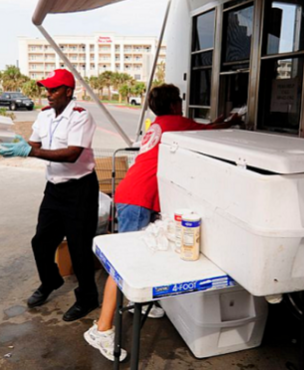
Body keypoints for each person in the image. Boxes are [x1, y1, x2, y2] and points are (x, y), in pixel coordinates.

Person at [84, 84, 242, 361]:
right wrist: (233, 120)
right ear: (174, 105)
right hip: (137, 197)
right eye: (180, 100)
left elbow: (201, 129)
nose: (182, 104)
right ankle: (102, 328)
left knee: (139, 253)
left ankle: (132, 301)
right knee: (124, 264)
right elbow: (212, 133)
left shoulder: (159, 124)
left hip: (132, 192)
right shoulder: (176, 122)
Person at [0, 68, 100, 322]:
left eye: (54, 90)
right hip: (54, 189)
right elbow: (34, 145)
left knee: (79, 248)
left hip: (80, 189)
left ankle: (87, 298)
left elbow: (72, 153)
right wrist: (18, 146)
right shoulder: (44, 116)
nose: (49, 94)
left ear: (68, 91)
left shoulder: (80, 116)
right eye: (47, 89)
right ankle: (50, 281)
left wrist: (30, 153)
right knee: (41, 242)